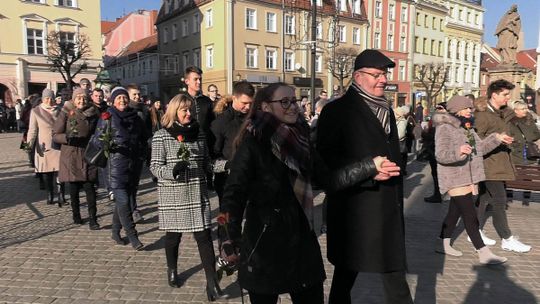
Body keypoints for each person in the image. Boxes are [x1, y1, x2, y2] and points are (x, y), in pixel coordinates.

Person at [316, 49, 413, 304]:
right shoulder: (336, 111)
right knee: (345, 277)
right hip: (355, 213)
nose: (383, 79)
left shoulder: (387, 110)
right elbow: (326, 165)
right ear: (358, 76)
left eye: (385, 74)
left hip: (387, 209)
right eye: (377, 75)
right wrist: (371, 171)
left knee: (394, 276)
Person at [218, 82, 326, 304]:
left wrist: (369, 167)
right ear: (266, 107)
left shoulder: (302, 141)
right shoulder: (252, 143)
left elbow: (330, 179)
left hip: (302, 245)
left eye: (294, 101)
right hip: (264, 246)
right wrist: (227, 237)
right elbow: (232, 195)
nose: (293, 106)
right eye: (284, 102)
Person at [149, 93, 223, 300]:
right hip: (173, 195)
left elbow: (207, 163)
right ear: (174, 112)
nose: (189, 113)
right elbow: (154, 167)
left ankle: (212, 281)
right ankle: (172, 269)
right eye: (184, 110)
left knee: (204, 237)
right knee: (173, 237)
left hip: (197, 194)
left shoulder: (199, 134)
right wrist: (172, 171)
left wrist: (226, 166)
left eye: (190, 109)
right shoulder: (161, 136)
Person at [433, 95, 509, 265]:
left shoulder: (467, 127)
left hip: (468, 177)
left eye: (470, 108)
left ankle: (441, 242)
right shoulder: (445, 127)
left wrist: (497, 138)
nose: (470, 110)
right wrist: (458, 152)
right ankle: (483, 252)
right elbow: (441, 155)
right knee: (470, 214)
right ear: (457, 109)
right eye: (467, 108)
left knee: (454, 212)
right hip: (454, 177)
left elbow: (479, 149)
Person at [475, 79, 532, 253]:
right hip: (489, 165)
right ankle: (506, 239)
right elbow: (476, 142)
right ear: (494, 94)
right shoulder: (483, 115)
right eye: (505, 94)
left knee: (484, 199)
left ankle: (474, 231)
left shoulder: (503, 113)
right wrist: (497, 138)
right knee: (499, 201)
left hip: (501, 162)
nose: (508, 97)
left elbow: (515, 122)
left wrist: (507, 138)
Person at [89, 86, 148, 250]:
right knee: (123, 201)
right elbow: (96, 140)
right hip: (115, 166)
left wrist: (143, 152)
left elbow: (144, 137)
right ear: (113, 101)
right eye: (118, 98)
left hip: (134, 166)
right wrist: (107, 142)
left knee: (123, 202)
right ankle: (133, 236)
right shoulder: (107, 117)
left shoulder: (135, 117)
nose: (122, 100)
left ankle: (115, 231)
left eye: (124, 98)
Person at [52, 88, 100, 229]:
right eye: (78, 98)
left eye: (84, 98)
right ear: (73, 99)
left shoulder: (93, 112)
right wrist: (66, 137)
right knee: (74, 189)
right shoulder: (66, 111)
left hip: (88, 153)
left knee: (90, 188)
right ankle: (76, 215)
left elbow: (99, 130)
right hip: (71, 153)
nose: (81, 100)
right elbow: (55, 134)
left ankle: (93, 219)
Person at [210, 81, 254, 205]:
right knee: (228, 221)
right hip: (227, 181)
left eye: (251, 103)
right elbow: (212, 156)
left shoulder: (254, 119)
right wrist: (228, 165)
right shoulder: (221, 122)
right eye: (244, 103)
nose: (248, 107)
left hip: (251, 178)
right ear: (234, 98)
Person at [26, 89, 62, 206]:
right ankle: (50, 194)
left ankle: (61, 194)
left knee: (60, 171)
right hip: (44, 146)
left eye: (51, 98)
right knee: (47, 173)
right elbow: (32, 130)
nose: (49, 101)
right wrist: (28, 146)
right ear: (42, 99)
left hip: (58, 145)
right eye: (47, 98)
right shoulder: (35, 111)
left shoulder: (61, 110)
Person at [184, 66, 216, 188]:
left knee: (205, 183)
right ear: (187, 81)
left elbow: (213, 123)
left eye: (200, 79)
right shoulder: (181, 99)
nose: (199, 82)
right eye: (195, 79)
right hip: (187, 143)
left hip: (205, 144)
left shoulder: (207, 101)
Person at [505, 101, 540, 205]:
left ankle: (526, 197)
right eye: (523, 109)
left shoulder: (530, 120)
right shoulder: (510, 122)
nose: (526, 110)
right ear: (516, 111)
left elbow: (537, 134)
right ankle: (509, 195)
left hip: (529, 152)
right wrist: (514, 143)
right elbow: (507, 135)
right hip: (515, 152)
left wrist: (529, 139)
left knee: (528, 174)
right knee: (513, 174)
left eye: (525, 108)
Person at [126, 83, 151, 223]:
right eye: (134, 94)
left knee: (134, 183)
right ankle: (130, 209)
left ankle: (132, 207)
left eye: (138, 94)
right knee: (127, 183)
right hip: (126, 152)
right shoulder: (125, 110)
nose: (137, 97)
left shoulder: (143, 110)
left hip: (139, 151)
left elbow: (147, 131)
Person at [422, 102, 447, 203]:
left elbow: (436, 136)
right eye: (437, 108)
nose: (438, 110)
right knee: (435, 173)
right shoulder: (435, 119)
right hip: (432, 150)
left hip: (438, 150)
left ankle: (439, 195)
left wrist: (425, 133)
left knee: (438, 174)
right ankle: (437, 193)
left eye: (441, 108)